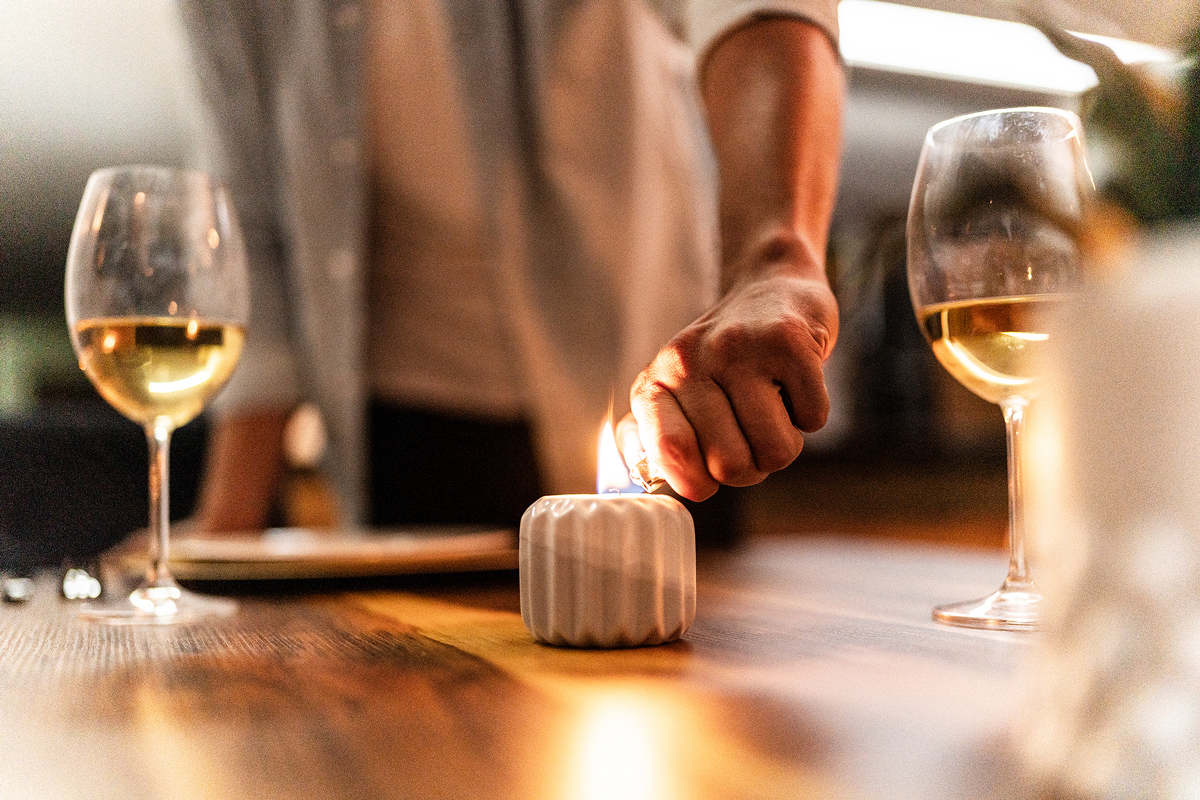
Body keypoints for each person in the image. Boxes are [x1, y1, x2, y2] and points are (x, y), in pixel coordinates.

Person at [176, 0, 843, 535]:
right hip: (403, 443)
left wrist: (772, 260)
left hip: (670, 402)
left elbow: (753, 9)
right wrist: (229, 520)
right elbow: (250, 215)